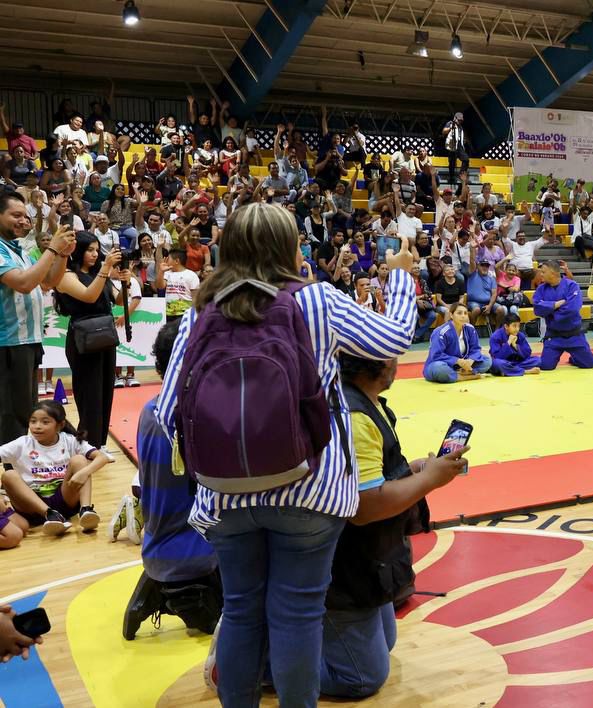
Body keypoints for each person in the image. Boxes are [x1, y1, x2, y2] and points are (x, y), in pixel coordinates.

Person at [155, 202, 418, 706]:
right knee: (298, 615)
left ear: (229, 249)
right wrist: (401, 277)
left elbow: (169, 413)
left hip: (225, 497)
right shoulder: (316, 300)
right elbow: (394, 339)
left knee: (240, 611)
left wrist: (224, 456)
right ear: (290, 248)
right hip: (310, 490)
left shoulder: (200, 312)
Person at [321, 353, 466, 698]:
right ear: (379, 364)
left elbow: (373, 476)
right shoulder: (356, 416)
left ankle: (290, 634)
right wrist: (428, 480)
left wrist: (412, 472)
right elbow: (365, 507)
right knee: (361, 678)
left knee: (384, 642)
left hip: (368, 552)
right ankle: (260, 659)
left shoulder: (368, 404)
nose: (397, 362)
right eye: (392, 355)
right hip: (344, 561)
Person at [123, 320, 221, 641]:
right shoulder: (200, 417)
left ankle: (163, 587)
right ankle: (184, 594)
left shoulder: (149, 411)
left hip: (158, 545)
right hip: (198, 554)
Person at [1, 194, 73, 444]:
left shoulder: (20, 251)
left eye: (25, 216)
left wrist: (62, 255)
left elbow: (48, 282)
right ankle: (11, 465)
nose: (24, 221)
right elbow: (23, 283)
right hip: (8, 343)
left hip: (28, 340)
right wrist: (52, 248)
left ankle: (20, 462)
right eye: (16, 215)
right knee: (11, 413)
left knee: (25, 410)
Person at [54, 232, 123, 448]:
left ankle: (99, 443)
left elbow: (118, 299)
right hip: (82, 338)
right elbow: (89, 296)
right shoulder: (66, 275)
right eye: (89, 250)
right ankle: (88, 444)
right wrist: (106, 268)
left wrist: (126, 283)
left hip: (105, 335)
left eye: (97, 250)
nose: (95, 254)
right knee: (89, 393)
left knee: (105, 391)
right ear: (78, 251)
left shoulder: (98, 274)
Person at [1, 400, 110, 536]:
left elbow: (102, 457)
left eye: (45, 422)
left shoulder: (70, 440)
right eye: (33, 421)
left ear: (60, 425)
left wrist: (84, 472)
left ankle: (86, 510)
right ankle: (50, 514)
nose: (37, 426)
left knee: (79, 460)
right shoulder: (22, 443)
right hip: (31, 507)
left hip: (65, 502)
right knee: (9, 475)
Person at [532, 260, 593, 371]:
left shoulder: (572, 286)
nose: (540, 274)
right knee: (546, 366)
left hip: (574, 334)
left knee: (589, 364)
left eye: (543, 272)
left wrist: (550, 311)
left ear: (552, 273)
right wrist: (555, 304)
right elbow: (537, 309)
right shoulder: (541, 289)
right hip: (554, 335)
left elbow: (573, 309)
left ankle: (574, 358)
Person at [424, 302, 492, 383]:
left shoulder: (470, 329)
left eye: (465, 313)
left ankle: (457, 374)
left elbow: (476, 349)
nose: (463, 316)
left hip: (461, 366)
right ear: (451, 315)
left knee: (487, 361)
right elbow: (436, 355)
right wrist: (457, 360)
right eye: (459, 313)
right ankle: (465, 376)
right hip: (441, 364)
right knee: (439, 368)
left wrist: (471, 360)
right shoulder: (441, 332)